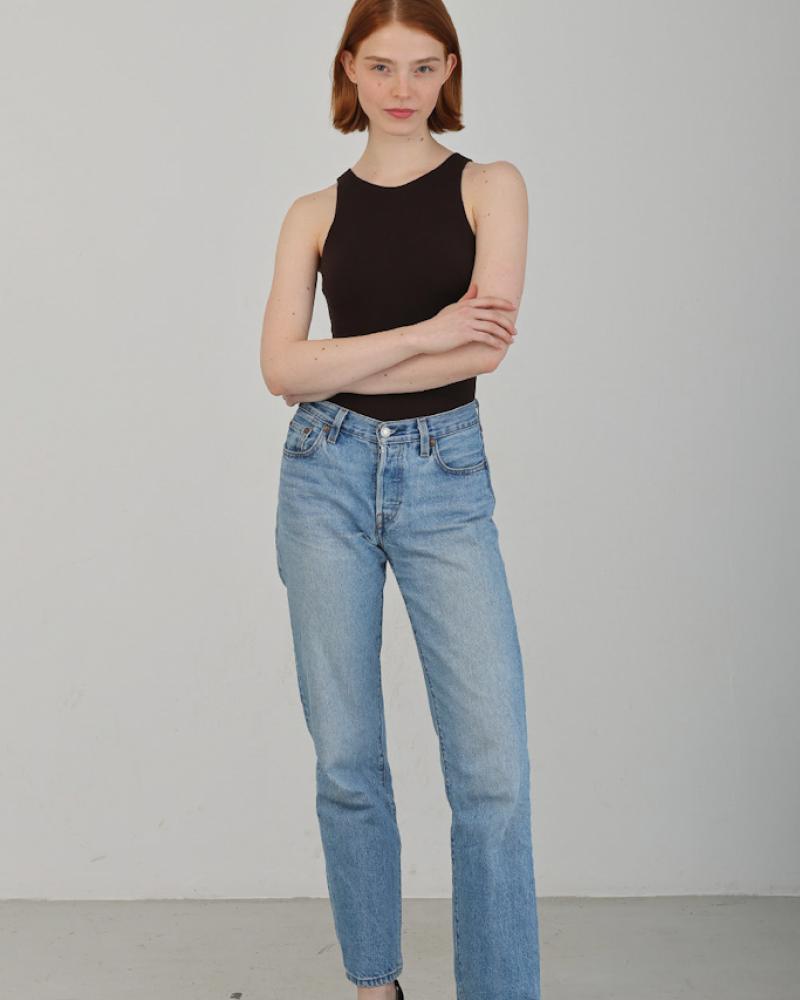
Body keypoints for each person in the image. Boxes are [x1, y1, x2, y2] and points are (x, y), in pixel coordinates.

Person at [260, 3, 540, 998]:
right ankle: (374, 986)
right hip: (322, 475)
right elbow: (280, 370)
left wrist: (343, 359)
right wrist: (426, 333)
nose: (401, 88)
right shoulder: (313, 212)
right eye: (380, 65)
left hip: (442, 475)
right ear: (350, 69)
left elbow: (484, 351)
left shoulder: (489, 186)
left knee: (492, 771)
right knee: (346, 757)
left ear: (448, 71)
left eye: (423, 66)